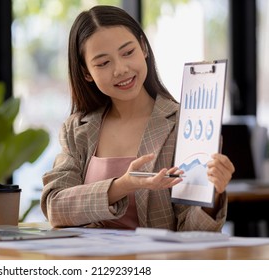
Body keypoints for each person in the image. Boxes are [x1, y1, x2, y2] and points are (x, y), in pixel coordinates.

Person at [41, 5, 235, 231]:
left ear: (143, 47)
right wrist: (122, 185)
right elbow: (55, 207)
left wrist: (214, 194)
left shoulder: (186, 124)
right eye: (103, 63)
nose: (120, 69)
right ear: (86, 73)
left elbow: (192, 233)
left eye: (128, 52)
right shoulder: (77, 129)